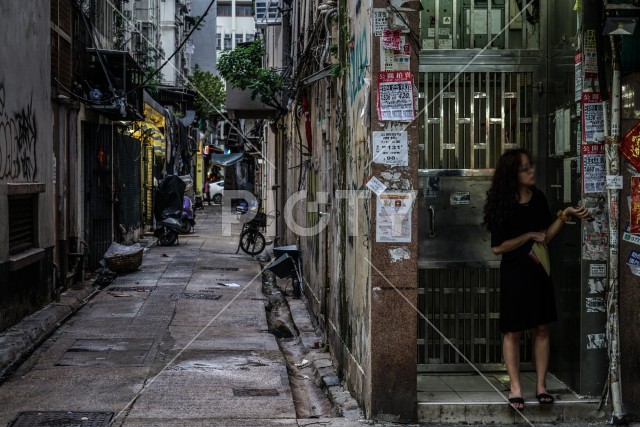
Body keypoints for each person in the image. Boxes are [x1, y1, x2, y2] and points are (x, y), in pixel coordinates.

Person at [483, 149, 589, 412]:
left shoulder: (539, 198)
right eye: (525, 168)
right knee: (514, 331)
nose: (532, 171)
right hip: (514, 273)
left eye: (531, 166)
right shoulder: (501, 203)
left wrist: (565, 215)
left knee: (541, 328)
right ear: (512, 174)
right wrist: (528, 234)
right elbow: (498, 248)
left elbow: (546, 237)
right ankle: (516, 388)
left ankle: (541, 385)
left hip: (539, 270)